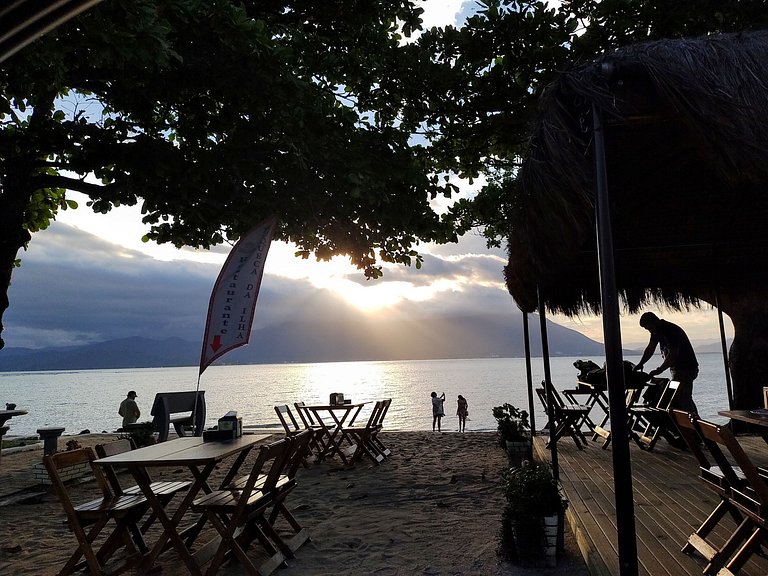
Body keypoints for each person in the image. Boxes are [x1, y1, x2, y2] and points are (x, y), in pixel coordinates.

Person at [634, 312, 699, 414]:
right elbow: (650, 348)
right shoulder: (656, 332)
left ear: (655, 322)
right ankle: (691, 420)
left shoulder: (670, 330)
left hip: (686, 369)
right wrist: (641, 363)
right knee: (680, 397)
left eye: (650, 328)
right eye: (648, 329)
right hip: (677, 370)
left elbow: (673, 353)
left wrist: (660, 369)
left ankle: (693, 421)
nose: (650, 331)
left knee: (682, 397)